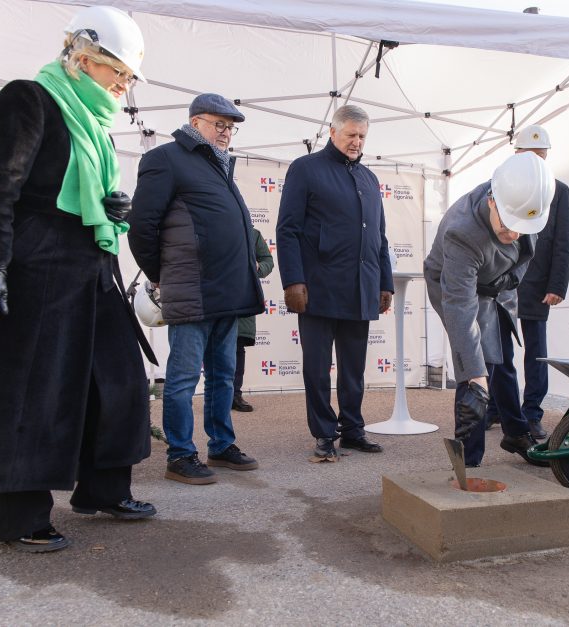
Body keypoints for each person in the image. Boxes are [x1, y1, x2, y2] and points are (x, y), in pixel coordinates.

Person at [0, 6, 157, 553]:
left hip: (91, 267)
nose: (123, 84)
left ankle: (104, 490)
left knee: (117, 381)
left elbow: (82, 194)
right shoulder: (28, 99)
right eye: (115, 70)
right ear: (82, 58)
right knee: (36, 392)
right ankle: (23, 516)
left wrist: (112, 206)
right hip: (39, 267)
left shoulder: (94, 122)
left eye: (127, 76)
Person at [129, 93, 263, 485]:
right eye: (218, 124)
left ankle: (220, 445)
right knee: (184, 376)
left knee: (223, 375)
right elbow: (141, 226)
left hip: (227, 290)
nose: (225, 133)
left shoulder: (219, 165)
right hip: (192, 288)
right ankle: (180, 454)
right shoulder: (165, 159)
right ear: (194, 122)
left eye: (230, 127)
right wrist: (161, 273)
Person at [276, 104, 394, 462]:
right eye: (351, 135)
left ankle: (353, 430)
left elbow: (380, 235)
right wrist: (293, 280)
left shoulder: (369, 179)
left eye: (362, 136)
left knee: (354, 366)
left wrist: (384, 282)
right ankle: (324, 435)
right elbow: (288, 229)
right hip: (318, 286)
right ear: (333, 132)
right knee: (316, 365)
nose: (357, 142)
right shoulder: (306, 169)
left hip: (361, 287)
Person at [424, 151, 554, 468]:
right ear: (493, 201)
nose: (513, 235)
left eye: (520, 229)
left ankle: (516, 432)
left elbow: (525, 254)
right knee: (477, 367)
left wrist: (509, 280)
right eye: (508, 227)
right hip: (456, 287)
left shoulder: (524, 203)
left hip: (498, 282)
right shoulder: (462, 233)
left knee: (502, 358)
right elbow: (461, 308)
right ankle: (468, 459)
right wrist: (475, 378)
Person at [485, 125, 569, 440]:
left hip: (538, 284)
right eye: (530, 153)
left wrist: (557, 285)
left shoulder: (559, 191)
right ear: (517, 154)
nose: (536, 158)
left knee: (536, 351)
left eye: (541, 153)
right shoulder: (499, 184)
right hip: (503, 281)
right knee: (498, 349)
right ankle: (497, 408)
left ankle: (532, 413)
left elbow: (564, 240)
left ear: (547, 155)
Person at [232, 227, 274, 412]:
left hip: (243, 296)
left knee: (237, 346)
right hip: (217, 295)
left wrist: (259, 267)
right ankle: (218, 395)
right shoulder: (215, 227)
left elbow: (268, 260)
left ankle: (235, 395)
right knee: (216, 347)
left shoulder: (253, 233)